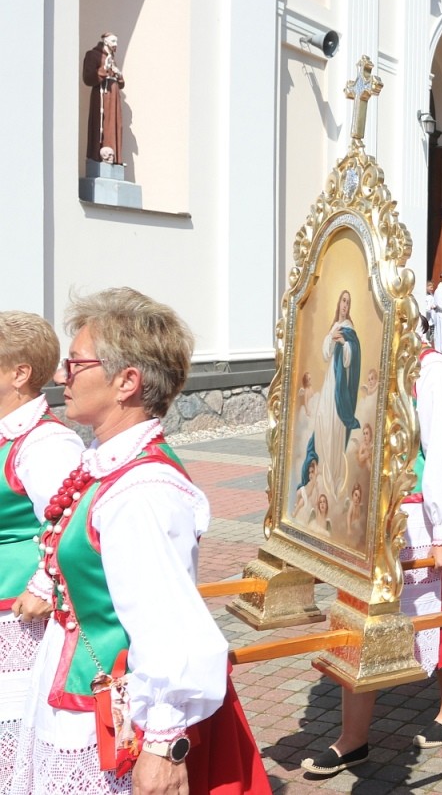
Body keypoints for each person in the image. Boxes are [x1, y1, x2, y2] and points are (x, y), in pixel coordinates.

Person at [9, 287, 269, 794]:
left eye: (75, 362)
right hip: (85, 685)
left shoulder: (143, 492)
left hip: (119, 713)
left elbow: (169, 625)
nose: (61, 376)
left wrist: (164, 745)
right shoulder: (108, 467)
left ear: (127, 381)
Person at [303, 343, 442, 776]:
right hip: (365, 509)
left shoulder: (429, 369)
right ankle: (352, 738)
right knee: (359, 617)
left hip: (422, 508)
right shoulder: (357, 361)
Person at [0, 313, 85, 781]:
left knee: (11, 736)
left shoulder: (45, 443)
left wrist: (41, 583)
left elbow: (70, 522)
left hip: (18, 617)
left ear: (19, 373)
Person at [307, 289, 362, 503]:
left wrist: (344, 343)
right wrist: (332, 337)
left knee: (336, 427)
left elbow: (351, 357)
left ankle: (334, 479)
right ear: (338, 303)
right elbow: (325, 353)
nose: (345, 305)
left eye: (349, 302)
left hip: (340, 386)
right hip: (331, 380)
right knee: (322, 421)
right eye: (343, 301)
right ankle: (323, 474)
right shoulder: (335, 327)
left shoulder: (349, 330)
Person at [83, 33, 125, 164]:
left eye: (116, 41)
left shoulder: (111, 58)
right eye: (113, 41)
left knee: (114, 125)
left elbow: (121, 84)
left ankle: (114, 158)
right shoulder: (93, 55)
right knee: (102, 124)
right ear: (105, 41)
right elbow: (88, 78)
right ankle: (100, 155)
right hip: (102, 96)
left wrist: (119, 75)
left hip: (113, 97)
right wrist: (104, 70)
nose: (116, 44)